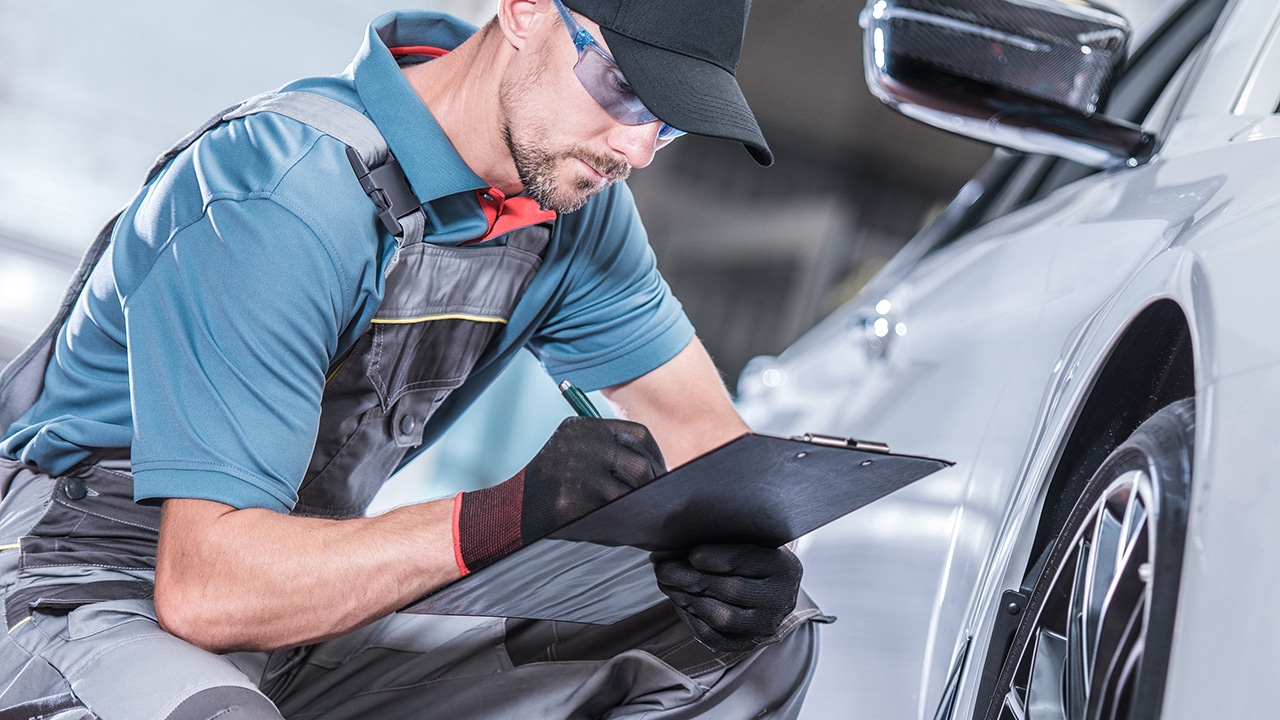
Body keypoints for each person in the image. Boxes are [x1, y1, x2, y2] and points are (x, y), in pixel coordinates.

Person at [0, 0, 824, 717]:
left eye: (670, 122)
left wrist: (742, 554)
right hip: (86, 592)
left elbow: (701, 433)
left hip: (305, 603)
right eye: (622, 88)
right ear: (526, 8)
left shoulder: (573, 214)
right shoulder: (283, 190)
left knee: (749, 642)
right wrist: (505, 515)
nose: (637, 148)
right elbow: (207, 591)